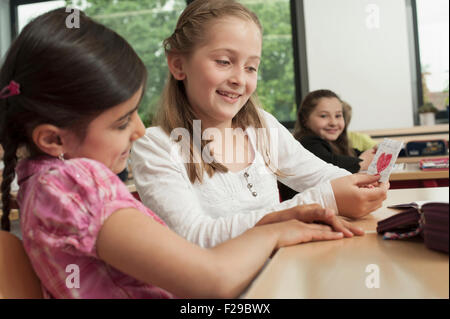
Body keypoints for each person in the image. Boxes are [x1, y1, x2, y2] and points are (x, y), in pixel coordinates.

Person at [0, 8, 359, 299]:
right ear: (52, 139)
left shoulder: (40, 182)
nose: (140, 130)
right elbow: (211, 282)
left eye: (251, 66)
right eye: (123, 121)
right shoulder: (76, 184)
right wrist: (277, 230)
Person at [130, 0, 387, 249]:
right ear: (178, 65)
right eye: (223, 62)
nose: (239, 79)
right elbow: (194, 237)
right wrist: (322, 199)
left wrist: (361, 186)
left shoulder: (261, 126)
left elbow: (319, 175)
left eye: (251, 67)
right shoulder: (154, 146)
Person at [293, 90, 377, 174]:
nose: (333, 122)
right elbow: (329, 163)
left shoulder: (337, 143)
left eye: (338, 116)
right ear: (304, 119)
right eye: (324, 116)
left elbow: (354, 155)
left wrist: (374, 154)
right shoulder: (307, 143)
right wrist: (362, 163)